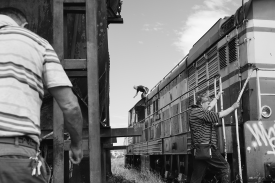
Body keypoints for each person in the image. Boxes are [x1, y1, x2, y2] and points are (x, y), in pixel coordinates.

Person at [0, 7, 83, 183]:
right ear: (24, 25)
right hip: (15, 156)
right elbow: (70, 105)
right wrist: (76, 144)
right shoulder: (36, 42)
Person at [189, 92, 239, 183]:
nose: (209, 105)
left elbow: (209, 107)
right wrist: (233, 107)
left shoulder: (195, 111)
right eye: (207, 103)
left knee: (197, 175)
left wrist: (216, 98)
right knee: (224, 168)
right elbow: (219, 115)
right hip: (207, 148)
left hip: (198, 149)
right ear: (201, 104)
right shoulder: (200, 112)